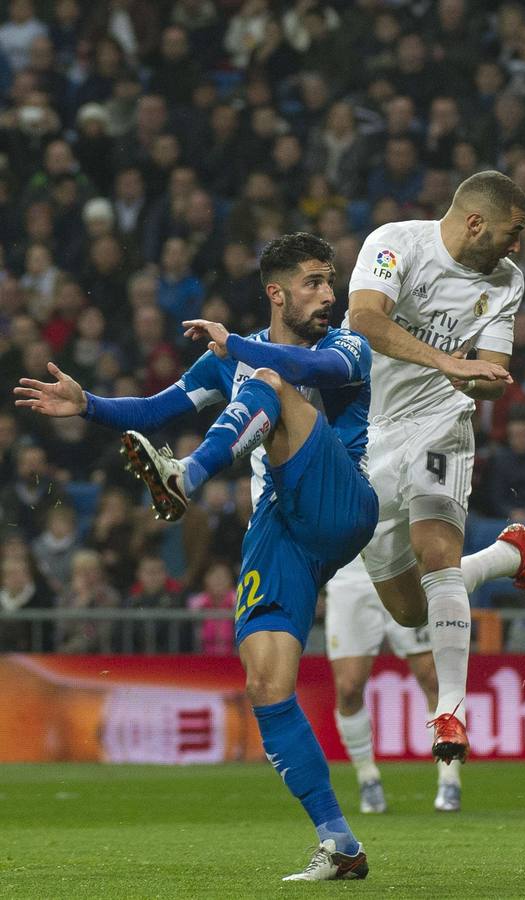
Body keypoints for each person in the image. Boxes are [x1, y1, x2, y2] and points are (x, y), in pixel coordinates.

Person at [15, 233, 381, 880]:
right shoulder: (227, 358)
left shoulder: (345, 345)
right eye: (315, 283)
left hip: (341, 499)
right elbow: (158, 407)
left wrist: (236, 348)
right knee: (267, 683)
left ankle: (185, 477)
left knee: (271, 378)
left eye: (332, 281)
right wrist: (88, 405)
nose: (330, 295)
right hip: (282, 526)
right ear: (277, 292)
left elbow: (316, 375)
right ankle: (339, 843)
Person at [345, 171, 525, 767]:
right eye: (511, 232)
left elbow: (491, 368)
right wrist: (448, 360)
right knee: (409, 608)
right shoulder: (396, 242)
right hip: (365, 432)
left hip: (441, 419)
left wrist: (482, 381)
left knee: (436, 552)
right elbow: (365, 318)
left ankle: (450, 711)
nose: (516, 246)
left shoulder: (507, 281)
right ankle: (508, 557)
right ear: (476, 222)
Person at [323, 553, 461, 814]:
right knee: (348, 688)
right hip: (349, 571)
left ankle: (449, 778)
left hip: (401, 564)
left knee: (433, 678)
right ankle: (367, 777)